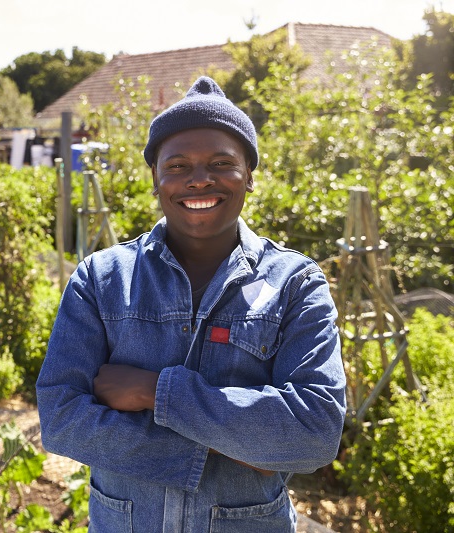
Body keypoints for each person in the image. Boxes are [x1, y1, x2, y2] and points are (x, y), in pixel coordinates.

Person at [36, 76, 346, 532]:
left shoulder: (296, 284)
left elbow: (314, 434)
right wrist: (237, 445)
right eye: (178, 165)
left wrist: (153, 392)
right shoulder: (102, 279)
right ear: (156, 179)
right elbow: (61, 418)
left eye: (222, 162)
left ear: (250, 176)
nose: (199, 179)